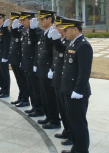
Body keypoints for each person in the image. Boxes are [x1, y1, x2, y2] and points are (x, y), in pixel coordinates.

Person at [60, 18, 92, 153]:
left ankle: (82, 150)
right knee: (73, 122)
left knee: (79, 123)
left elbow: (84, 72)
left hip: (77, 92)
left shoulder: (83, 45)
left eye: (66, 29)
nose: (63, 32)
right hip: (69, 90)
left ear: (75, 29)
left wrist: (78, 91)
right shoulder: (72, 44)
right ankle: (76, 148)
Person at [30, 10, 61, 129]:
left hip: (48, 70)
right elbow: (36, 46)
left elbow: (54, 53)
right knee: (44, 95)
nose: (41, 21)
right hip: (42, 69)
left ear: (49, 19)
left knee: (51, 96)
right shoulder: (44, 32)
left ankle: (55, 120)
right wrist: (36, 64)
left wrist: (52, 68)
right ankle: (49, 116)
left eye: (43, 19)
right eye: (40, 19)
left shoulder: (53, 32)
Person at [49, 16, 73, 146]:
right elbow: (56, 59)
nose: (58, 29)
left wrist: (56, 41)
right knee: (62, 109)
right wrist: (52, 69)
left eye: (60, 27)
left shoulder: (68, 43)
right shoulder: (60, 41)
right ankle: (66, 130)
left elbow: (63, 53)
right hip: (57, 79)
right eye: (58, 27)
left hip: (64, 80)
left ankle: (71, 134)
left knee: (67, 110)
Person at [20, 11, 45, 117]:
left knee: (36, 88)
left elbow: (36, 46)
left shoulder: (38, 31)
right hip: (27, 63)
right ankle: (34, 106)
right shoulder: (26, 30)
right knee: (31, 87)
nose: (22, 22)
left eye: (24, 20)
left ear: (31, 20)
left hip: (33, 64)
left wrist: (33, 30)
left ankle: (39, 109)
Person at [8, 12, 30, 107]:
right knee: (19, 80)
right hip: (14, 59)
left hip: (20, 59)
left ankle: (25, 99)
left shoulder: (22, 30)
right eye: (12, 20)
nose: (13, 22)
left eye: (16, 20)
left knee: (23, 81)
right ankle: (21, 97)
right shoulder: (18, 30)